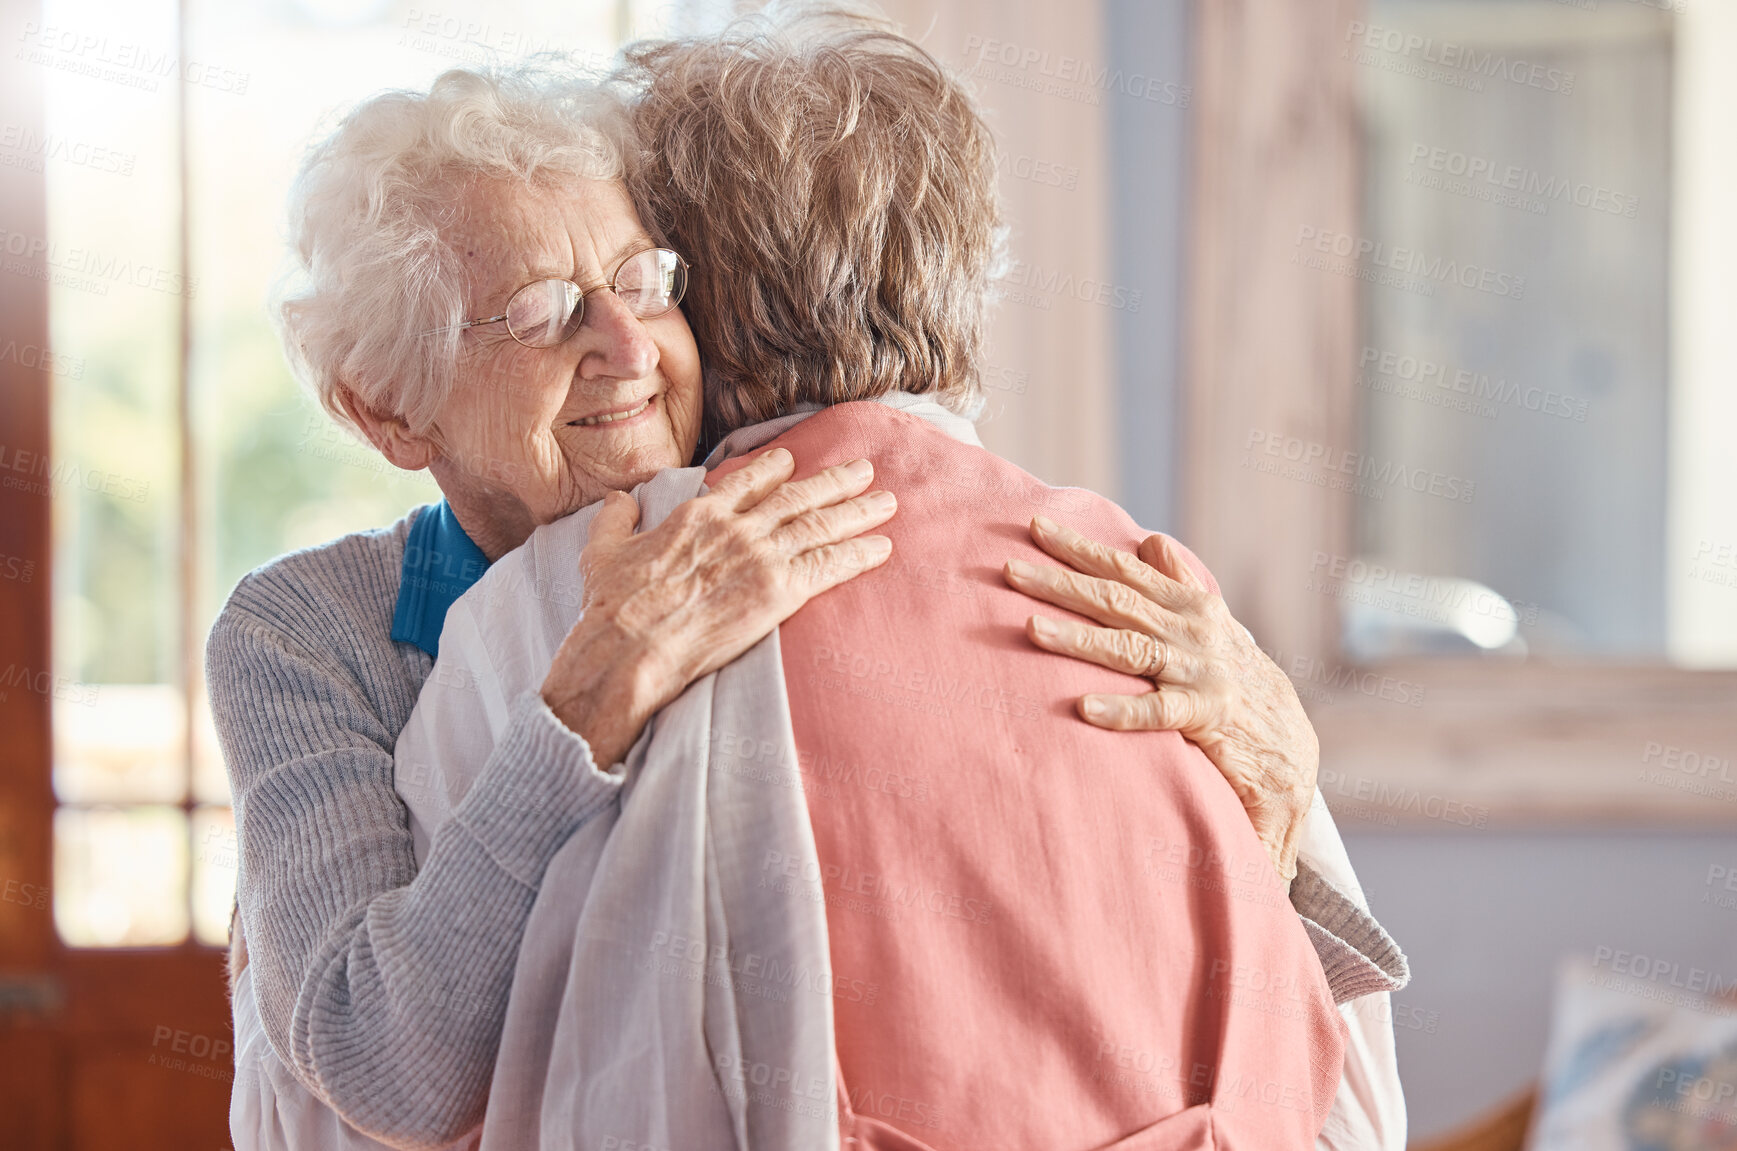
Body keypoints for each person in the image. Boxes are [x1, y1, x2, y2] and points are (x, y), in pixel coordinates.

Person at [211, 24, 1399, 1151]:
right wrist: (587, 699)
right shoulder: (315, 629)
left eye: (648, 278)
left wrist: (1275, 771)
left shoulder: (836, 530)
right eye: (539, 314)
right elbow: (378, 1058)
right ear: (385, 406)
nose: (629, 347)